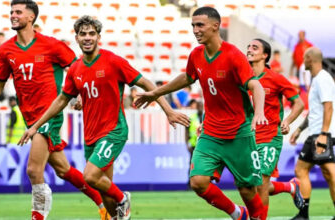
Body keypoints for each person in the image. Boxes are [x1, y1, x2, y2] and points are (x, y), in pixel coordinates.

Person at [18, 15, 190, 220]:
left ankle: (123, 197)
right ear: (77, 38)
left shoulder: (114, 61)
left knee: (90, 176)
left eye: (92, 33)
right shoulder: (75, 68)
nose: (87, 37)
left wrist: (168, 111)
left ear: (99, 36)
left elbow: (146, 84)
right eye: (83, 34)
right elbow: (61, 100)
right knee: (108, 203)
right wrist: (35, 126)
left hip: (113, 131)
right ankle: (118, 207)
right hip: (91, 135)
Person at [0, 1, 108, 220]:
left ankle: (38, 217)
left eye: (18, 12)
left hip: (49, 115)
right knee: (63, 169)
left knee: (34, 171)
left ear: (31, 17)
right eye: (11, 12)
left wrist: (80, 94)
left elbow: (77, 67)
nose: (13, 15)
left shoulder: (51, 45)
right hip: (29, 117)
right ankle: (104, 204)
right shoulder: (7, 50)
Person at [135, 6, 268, 220]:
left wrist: (259, 112)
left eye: (200, 25)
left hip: (239, 134)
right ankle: (237, 214)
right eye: (193, 25)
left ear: (216, 26)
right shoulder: (196, 55)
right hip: (211, 133)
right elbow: (187, 77)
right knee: (197, 182)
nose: (195, 30)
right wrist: (155, 93)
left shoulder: (233, 56)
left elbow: (256, 86)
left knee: (246, 190)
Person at [246, 38, 305, 217]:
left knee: (262, 181)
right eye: (248, 46)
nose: (249, 49)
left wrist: (287, 121)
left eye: (254, 47)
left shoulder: (275, 78)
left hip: (271, 136)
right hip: (248, 139)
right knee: (253, 185)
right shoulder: (242, 77)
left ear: (265, 55)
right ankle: (290, 186)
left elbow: (299, 103)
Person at [289, 47, 335, 220]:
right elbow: (315, 111)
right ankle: (303, 214)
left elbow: (328, 107)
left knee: (320, 172)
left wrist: (323, 134)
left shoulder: (322, 79)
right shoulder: (318, 79)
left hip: (321, 134)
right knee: (326, 173)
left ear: (310, 58)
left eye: (303, 58)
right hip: (320, 132)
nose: (302, 61)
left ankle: (303, 214)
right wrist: (300, 129)